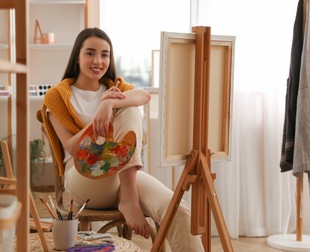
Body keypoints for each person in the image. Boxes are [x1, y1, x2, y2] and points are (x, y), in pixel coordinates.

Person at [41, 27, 204, 251]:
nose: (98, 60)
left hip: (120, 173)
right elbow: (71, 147)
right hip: (82, 177)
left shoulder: (113, 89)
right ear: (77, 57)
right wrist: (98, 118)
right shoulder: (57, 95)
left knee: (177, 209)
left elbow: (143, 96)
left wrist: (109, 103)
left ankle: (128, 196)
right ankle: (129, 198)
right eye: (90, 53)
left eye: (105, 54)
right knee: (128, 108)